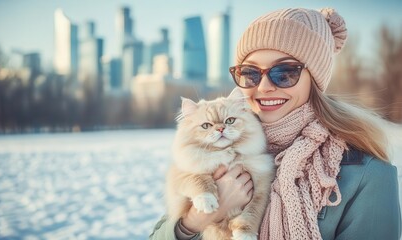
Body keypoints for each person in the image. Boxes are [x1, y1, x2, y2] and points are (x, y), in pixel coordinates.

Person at [149, 7, 401, 240]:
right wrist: (196, 219)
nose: (265, 87)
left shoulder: (368, 175)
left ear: (314, 79)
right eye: (250, 73)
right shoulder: (208, 157)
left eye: (285, 73)